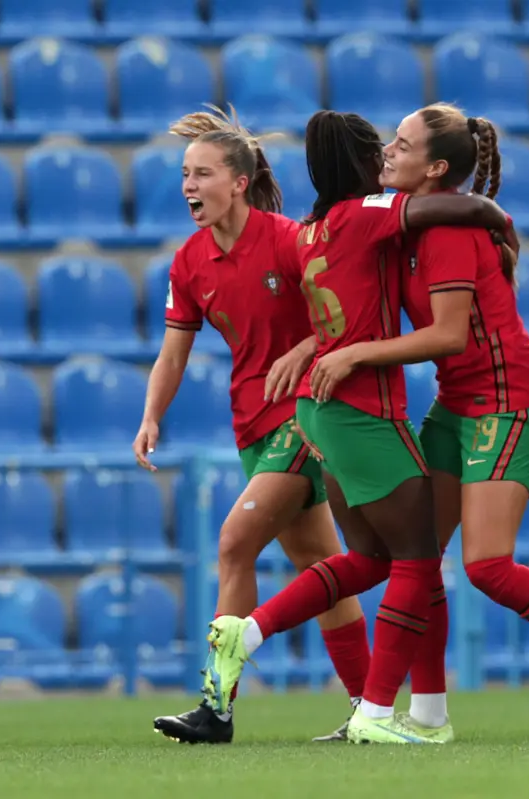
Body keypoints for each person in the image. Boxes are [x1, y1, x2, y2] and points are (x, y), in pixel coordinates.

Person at [309, 104, 529, 743]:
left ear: (435, 167)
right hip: (460, 400)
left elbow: (446, 336)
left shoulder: (443, 234)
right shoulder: (409, 224)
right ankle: (423, 718)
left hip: (509, 400)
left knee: (488, 567)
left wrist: (354, 354)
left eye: (403, 144)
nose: (387, 150)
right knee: (417, 558)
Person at [206, 109, 514, 745]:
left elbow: (327, 302)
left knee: (370, 559)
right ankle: (380, 713)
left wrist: (306, 347)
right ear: (360, 163)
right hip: (362, 409)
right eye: (378, 147)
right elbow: (441, 211)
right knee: (420, 558)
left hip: (321, 411)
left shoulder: (310, 229)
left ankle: (250, 631)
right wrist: (494, 215)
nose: (385, 154)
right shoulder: (366, 212)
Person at [135, 105, 369, 745]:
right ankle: (370, 709)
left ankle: (216, 706)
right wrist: (152, 414)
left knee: (236, 544)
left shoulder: (290, 239)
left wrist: (303, 352)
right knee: (320, 562)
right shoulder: (189, 262)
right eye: (184, 174)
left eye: (201, 173)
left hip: (305, 416)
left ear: (238, 181)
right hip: (252, 426)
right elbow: (173, 351)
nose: (188, 186)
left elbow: (343, 316)